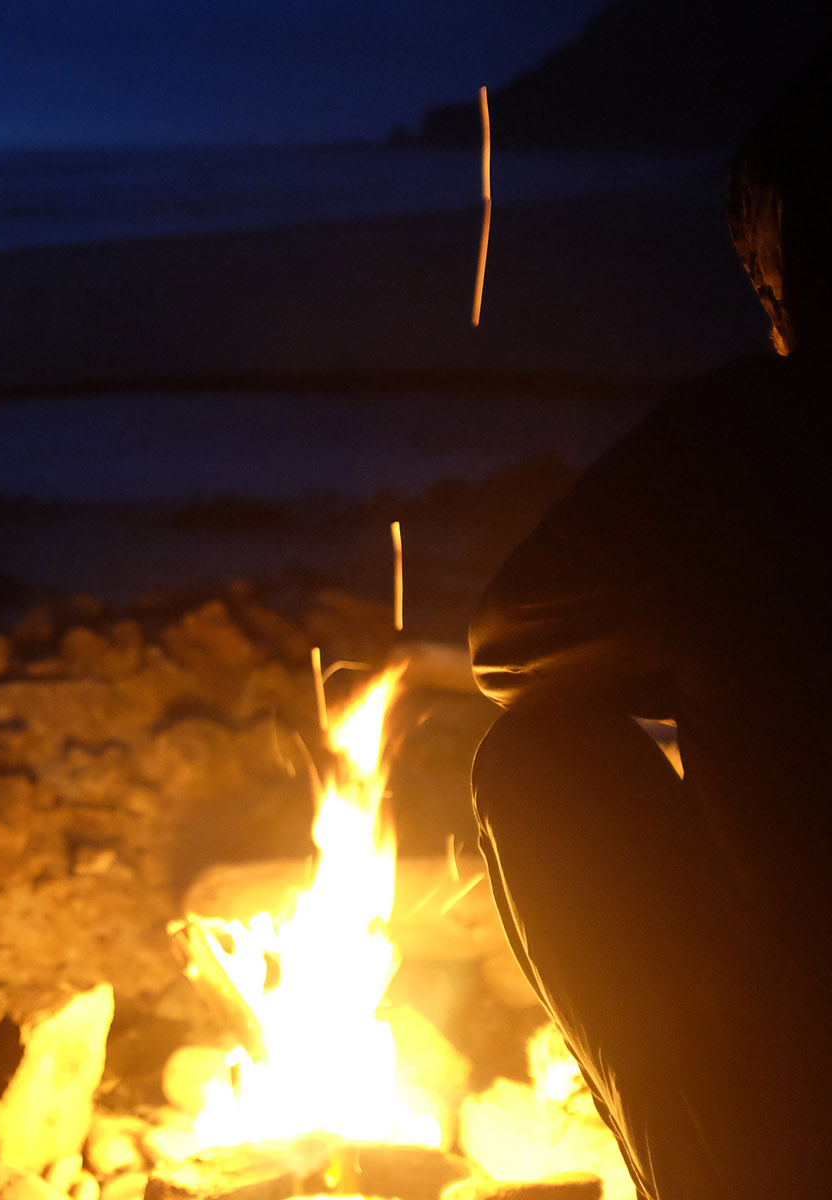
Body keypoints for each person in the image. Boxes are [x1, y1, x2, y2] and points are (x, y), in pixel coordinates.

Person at [468, 59, 830, 1200]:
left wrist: (715, 640)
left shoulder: (751, 444)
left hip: (808, 1073)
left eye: (762, 268)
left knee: (540, 764)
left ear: (783, 267)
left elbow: (506, 651)